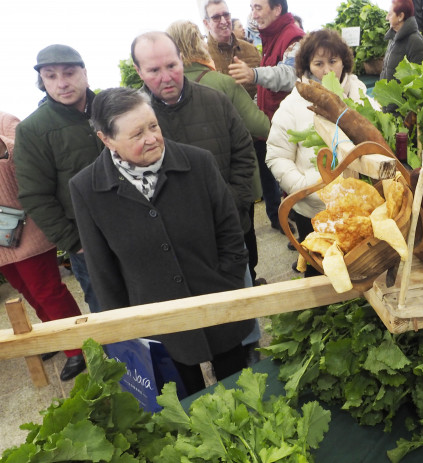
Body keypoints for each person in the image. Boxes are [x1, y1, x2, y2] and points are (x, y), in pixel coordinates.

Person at [70, 87, 253, 395]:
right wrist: (127, 327)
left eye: (153, 126)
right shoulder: (86, 188)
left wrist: (228, 282)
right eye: (137, 134)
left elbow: (230, 232)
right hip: (156, 321)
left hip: (218, 301)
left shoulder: (199, 162)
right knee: (184, 404)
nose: (152, 138)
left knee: (240, 389)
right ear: (107, 140)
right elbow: (102, 269)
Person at [131, 32, 263, 360]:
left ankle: (248, 353)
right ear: (138, 72)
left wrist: (233, 204)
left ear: (182, 60)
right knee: (194, 316)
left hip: (228, 229)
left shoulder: (214, 100)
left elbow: (245, 153)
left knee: (240, 300)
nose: (166, 77)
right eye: (153, 70)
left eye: (172, 65)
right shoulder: (134, 118)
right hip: (176, 243)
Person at [266, 30, 374, 275]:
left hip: (359, 211)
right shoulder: (293, 105)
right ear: (307, 66)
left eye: (333, 61)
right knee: (319, 274)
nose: (327, 70)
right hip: (314, 212)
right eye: (319, 63)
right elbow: (277, 156)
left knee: (360, 275)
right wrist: (306, 186)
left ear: (344, 62)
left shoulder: (359, 95)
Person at [14, 44, 104, 319]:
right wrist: (75, 242)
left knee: (155, 302)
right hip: (88, 241)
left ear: (85, 73)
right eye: (50, 76)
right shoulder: (32, 130)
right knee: (107, 312)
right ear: (42, 81)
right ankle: (124, 363)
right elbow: (34, 196)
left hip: (137, 228)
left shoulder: (112, 107)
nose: (62, 83)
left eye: (69, 73)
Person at [0, 111, 86, 381]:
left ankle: (79, 347)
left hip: (27, 231)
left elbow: (25, 169)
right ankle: (55, 336)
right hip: (2, 242)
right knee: (27, 291)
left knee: (48, 291)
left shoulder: (7, 124)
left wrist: (4, 147)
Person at [229, 0, 305, 232]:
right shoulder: (271, 37)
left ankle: (309, 247)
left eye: (258, 7)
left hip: (290, 130)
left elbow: (289, 75)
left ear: (277, 9)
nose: (253, 13)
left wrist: (253, 74)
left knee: (298, 193)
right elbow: (266, 90)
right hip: (273, 126)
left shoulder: (294, 37)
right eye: (252, 7)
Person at [203, 0, 262, 101]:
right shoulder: (203, 57)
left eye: (226, 15)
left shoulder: (251, 50)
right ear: (206, 23)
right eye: (216, 17)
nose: (223, 21)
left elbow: (264, 86)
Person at [380, 0, 423, 81]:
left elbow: (420, 80)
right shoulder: (393, 37)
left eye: (390, 14)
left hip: (401, 94)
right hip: (389, 93)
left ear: (400, 16)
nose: (387, 17)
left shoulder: (415, 42)